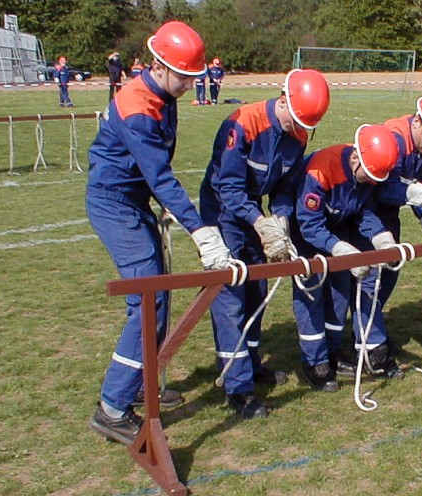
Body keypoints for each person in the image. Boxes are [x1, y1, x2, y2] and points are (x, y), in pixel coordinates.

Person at [86, 21, 240, 445]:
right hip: (114, 204)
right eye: (186, 78)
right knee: (147, 302)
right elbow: (159, 176)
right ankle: (112, 408)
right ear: (160, 65)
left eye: (195, 78)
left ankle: (138, 384)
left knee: (157, 299)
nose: (191, 86)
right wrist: (200, 230)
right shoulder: (137, 104)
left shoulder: (163, 92)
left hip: (134, 202)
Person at [199, 69, 330, 415]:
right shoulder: (242, 123)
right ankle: (237, 388)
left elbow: (285, 185)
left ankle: (251, 364)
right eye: (296, 120)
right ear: (283, 100)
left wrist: (281, 218)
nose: (298, 128)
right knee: (231, 300)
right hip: (224, 214)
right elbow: (228, 187)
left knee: (257, 292)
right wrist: (259, 221)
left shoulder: (298, 132)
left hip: (257, 214)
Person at [348, 92, 422, 374]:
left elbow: (421, 185)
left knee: (391, 270)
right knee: (371, 276)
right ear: (418, 121)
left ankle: (367, 328)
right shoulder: (392, 138)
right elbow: (382, 186)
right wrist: (417, 194)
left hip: (390, 212)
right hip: (367, 209)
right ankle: (370, 346)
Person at [291, 124, 400, 391]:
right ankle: (314, 361)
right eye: (370, 176)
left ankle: (332, 352)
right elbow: (308, 222)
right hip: (307, 235)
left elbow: (363, 211)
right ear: (355, 158)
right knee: (311, 296)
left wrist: (380, 237)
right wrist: (337, 247)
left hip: (338, 231)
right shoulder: (320, 170)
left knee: (339, 296)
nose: (373, 182)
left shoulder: (368, 172)